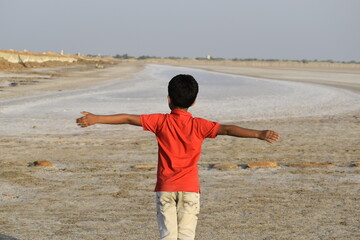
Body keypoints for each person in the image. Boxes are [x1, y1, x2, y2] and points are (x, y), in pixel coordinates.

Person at [76, 74, 280, 240]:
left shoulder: (161, 122)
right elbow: (227, 129)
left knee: (168, 237)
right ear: (194, 101)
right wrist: (258, 134)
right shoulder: (199, 125)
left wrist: (97, 119)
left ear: (168, 100)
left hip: (165, 189)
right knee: (186, 237)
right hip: (190, 190)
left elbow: (129, 118)